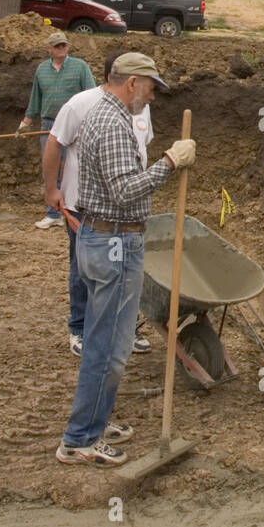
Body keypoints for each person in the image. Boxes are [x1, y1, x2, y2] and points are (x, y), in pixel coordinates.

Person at [56, 52, 196, 466]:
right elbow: (125, 190)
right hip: (114, 243)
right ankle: (81, 439)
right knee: (109, 347)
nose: (152, 97)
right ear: (132, 82)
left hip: (101, 239)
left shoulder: (102, 114)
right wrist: (169, 162)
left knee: (104, 341)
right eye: (151, 87)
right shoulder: (114, 124)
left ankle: (96, 419)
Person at [43, 52, 154, 358]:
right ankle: (79, 328)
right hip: (84, 206)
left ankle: (125, 328)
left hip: (126, 211)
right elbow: (54, 142)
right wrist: (52, 189)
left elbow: (141, 150)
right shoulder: (81, 104)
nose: (150, 94)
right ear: (121, 79)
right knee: (84, 270)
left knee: (124, 272)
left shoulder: (140, 107)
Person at [17, 30, 95, 229]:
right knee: (50, 169)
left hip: (75, 126)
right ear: (49, 49)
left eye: (64, 45)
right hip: (49, 125)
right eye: (58, 46)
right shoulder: (42, 70)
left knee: (72, 168)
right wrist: (26, 122)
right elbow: (36, 98)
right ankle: (53, 214)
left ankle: (72, 211)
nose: (62, 49)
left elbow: (91, 95)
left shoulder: (80, 67)